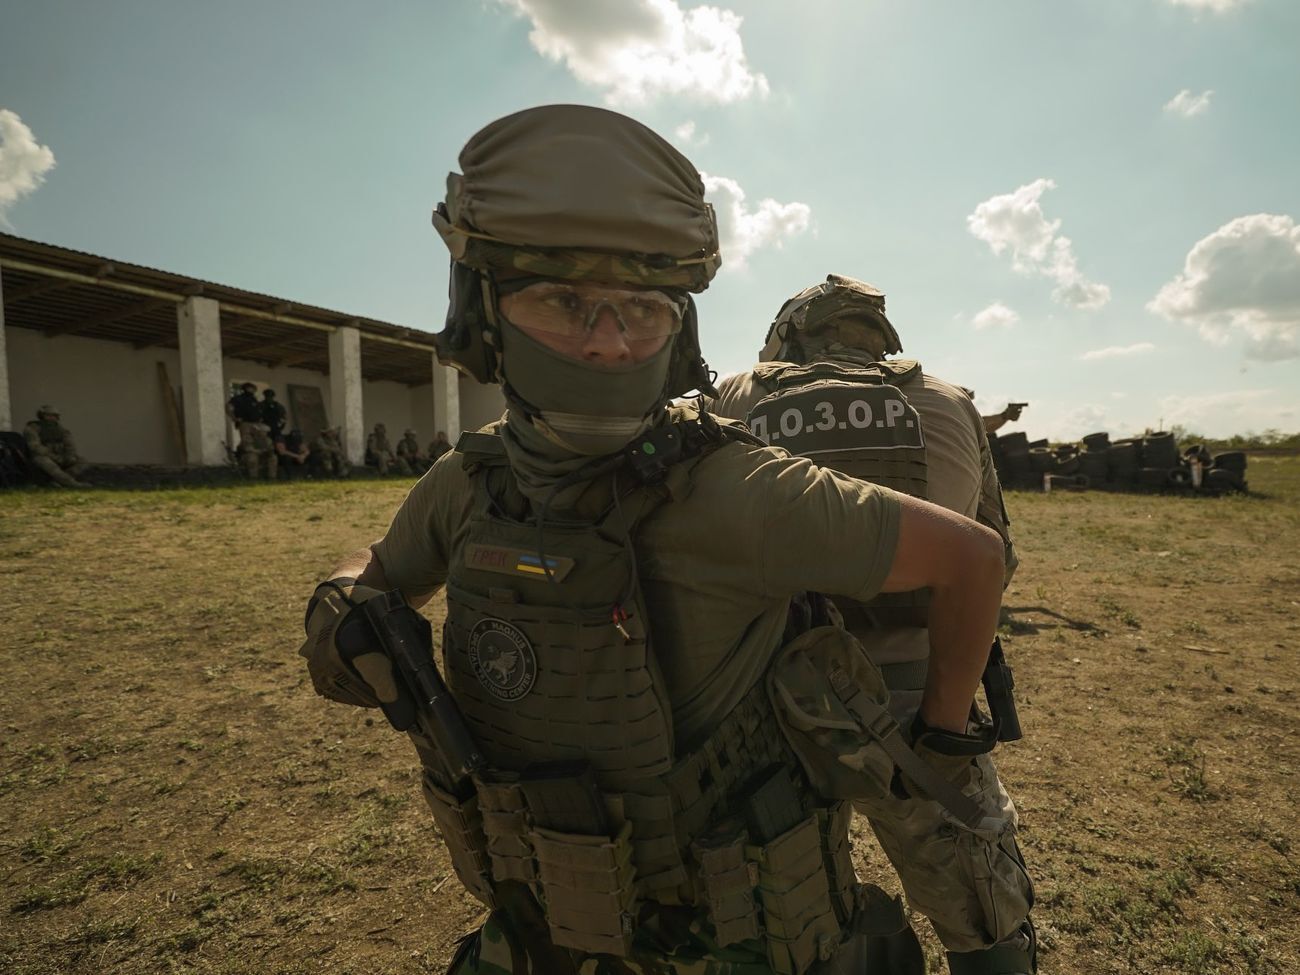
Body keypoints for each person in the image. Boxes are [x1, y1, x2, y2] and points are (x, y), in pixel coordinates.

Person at [299, 106, 1024, 975]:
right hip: (543, 918)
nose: (608, 342)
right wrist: (344, 599)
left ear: (679, 328)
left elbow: (971, 558)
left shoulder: (737, 486)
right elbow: (380, 569)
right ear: (485, 312)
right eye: (564, 301)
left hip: (737, 937)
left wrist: (937, 738)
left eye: (642, 308)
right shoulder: (470, 481)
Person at [706, 273, 1033, 973]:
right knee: (985, 912)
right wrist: (945, 727)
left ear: (789, 336)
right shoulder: (948, 400)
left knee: (770, 912)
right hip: (917, 704)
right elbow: (995, 556)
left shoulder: (732, 396)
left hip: (765, 696)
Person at [24, 405, 91, 488]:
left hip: (60, 456)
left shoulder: (62, 430)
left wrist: (70, 456)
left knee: (82, 461)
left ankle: (55, 481)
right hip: (42, 457)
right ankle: (70, 482)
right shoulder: (32, 428)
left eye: (54, 416)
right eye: (48, 415)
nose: (51, 418)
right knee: (45, 462)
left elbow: (70, 446)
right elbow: (35, 447)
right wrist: (54, 457)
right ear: (41, 416)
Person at [227, 381, 262, 456]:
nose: (252, 390)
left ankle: (253, 456)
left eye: (253, 389)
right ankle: (244, 456)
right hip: (245, 423)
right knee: (246, 441)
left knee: (256, 441)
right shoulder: (238, 398)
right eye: (251, 388)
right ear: (246, 388)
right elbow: (229, 408)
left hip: (255, 423)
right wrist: (234, 418)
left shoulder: (254, 399)